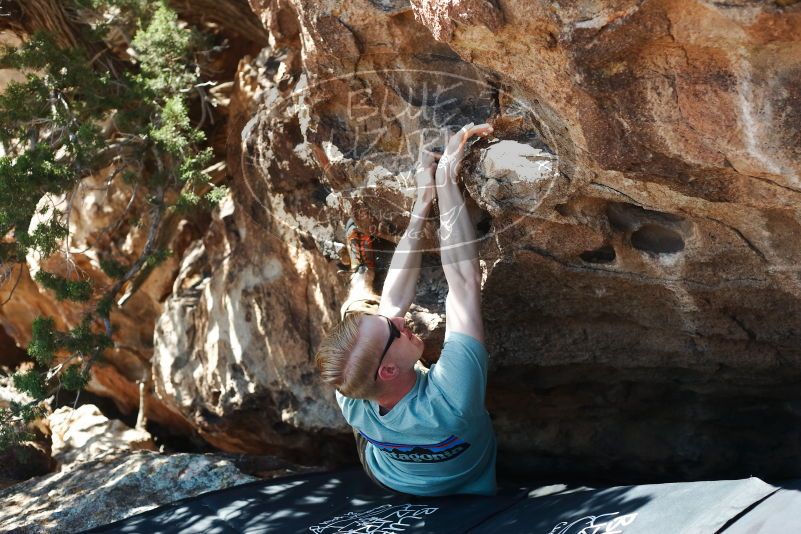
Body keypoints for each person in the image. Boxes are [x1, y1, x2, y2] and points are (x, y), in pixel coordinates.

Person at [315, 122, 497, 497]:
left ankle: (360, 279)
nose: (400, 319)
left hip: (387, 474)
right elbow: (462, 282)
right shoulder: (452, 401)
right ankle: (358, 294)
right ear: (389, 369)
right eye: (394, 330)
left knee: (361, 318)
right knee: (364, 317)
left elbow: (392, 306)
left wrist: (422, 203)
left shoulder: (351, 394)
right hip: (467, 485)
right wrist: (447, 178)